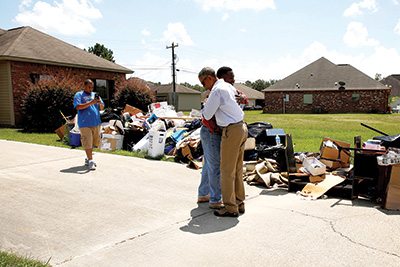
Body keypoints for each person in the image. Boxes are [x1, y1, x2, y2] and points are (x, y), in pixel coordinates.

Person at [199, 67, 248, 217]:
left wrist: (207, 103)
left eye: (203, 82)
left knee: (226, 171)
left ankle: (230, 207)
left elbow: (207, 114)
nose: (203, 87)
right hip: (241, 127)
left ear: (209, 78)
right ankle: (239, 203)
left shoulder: (217, 90)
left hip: (231, 131)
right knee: (238, 169)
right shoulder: (227, 86)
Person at [197, 91, 222, 209]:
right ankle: (215, 199)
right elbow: (208, 116)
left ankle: (203, 193)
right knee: (215, 166)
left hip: (208, 131)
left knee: (209, 164)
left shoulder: (220, 94)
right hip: (211, 132)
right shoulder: (215, 97)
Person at [73, 79, 104, 170]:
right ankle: (91, 161)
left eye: (92, 87)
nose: (91, 89)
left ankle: (88, 158)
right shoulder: (79, 95)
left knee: (94, 143)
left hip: (96, 122)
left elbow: (102, 107)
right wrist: (91, 102)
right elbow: (78, 107)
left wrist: (99, 102)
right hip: (85, 123)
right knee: (87, 142)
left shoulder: (95, 95)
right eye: (89, 87)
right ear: (84, 86)